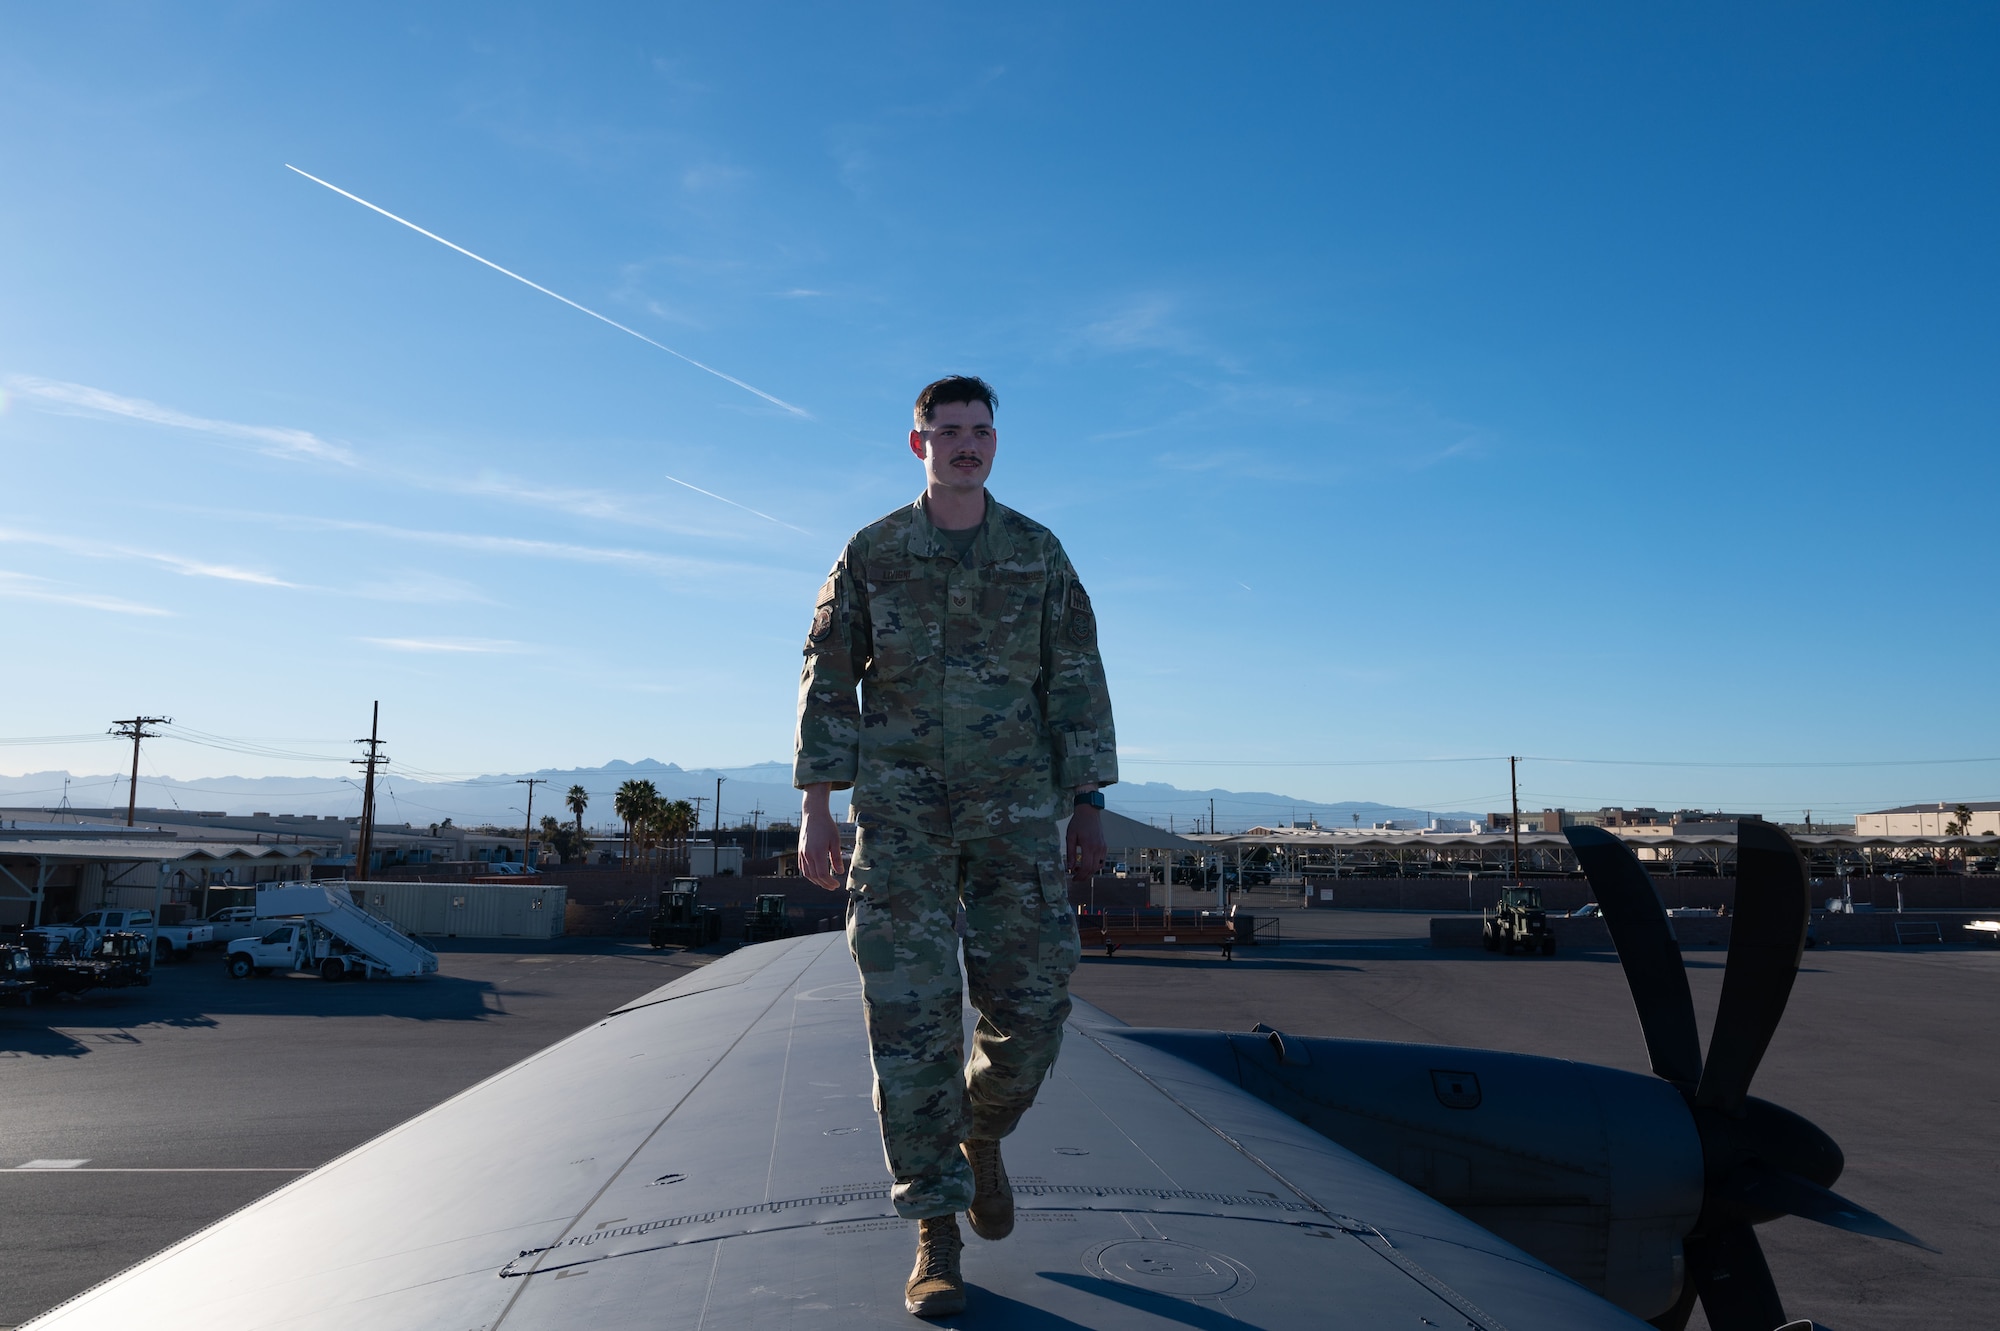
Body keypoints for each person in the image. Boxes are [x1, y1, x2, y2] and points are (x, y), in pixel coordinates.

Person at [794, 375, 1117, 1317]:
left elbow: (1078, 680)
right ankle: (936, 1228)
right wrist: (819, 806)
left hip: (1016, 810)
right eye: (948, 432)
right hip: (898, 819)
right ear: (917, 443)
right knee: (910, 1023)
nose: (966, 445)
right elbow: (826, 681)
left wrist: (1087, 801)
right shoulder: (872, 552)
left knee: (1034, 1010)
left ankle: (981, 1131)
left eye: (980, 432)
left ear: (995, 443)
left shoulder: (1037, 554)